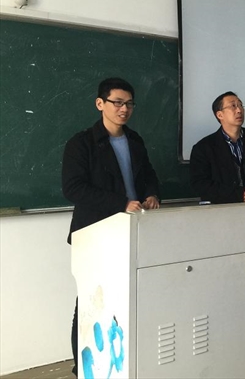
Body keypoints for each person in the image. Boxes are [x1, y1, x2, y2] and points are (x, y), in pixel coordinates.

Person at [62, 77, 160, 376]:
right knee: (90, 303)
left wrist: (152, 194)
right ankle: (83, 368)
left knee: (126, 300)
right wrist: (121, 202)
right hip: (95, 234)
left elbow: (148, 175)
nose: (124, 109)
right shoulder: (82, 143)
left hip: (131, 231)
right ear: (100, 103)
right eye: (117, 102)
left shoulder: (135, 140)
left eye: (129, 104)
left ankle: (119, 366)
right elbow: (73, 188)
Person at [189, 91, 245, 204]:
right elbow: (200, 184)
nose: (239, 110)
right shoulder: (203, 147)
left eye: (240, 105)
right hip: (221, 209)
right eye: (233, 106)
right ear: (220, 115)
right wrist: (239, 195)